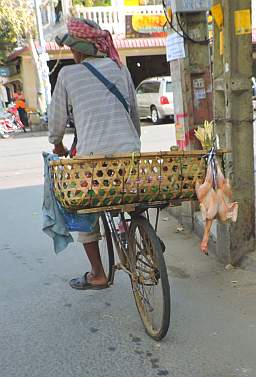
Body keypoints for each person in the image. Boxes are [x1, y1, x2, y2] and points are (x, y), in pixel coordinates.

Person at [48, 17, 141, 290]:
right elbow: (134, 116)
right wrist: (131, 142)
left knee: (84, 208)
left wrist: (57, 144)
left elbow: (56, 122)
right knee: (132, 196)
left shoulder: (68, 75)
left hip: (91, 159)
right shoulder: (119, 68)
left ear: (79, 49)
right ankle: (143, 233)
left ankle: (98, 274)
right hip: (129, 153)